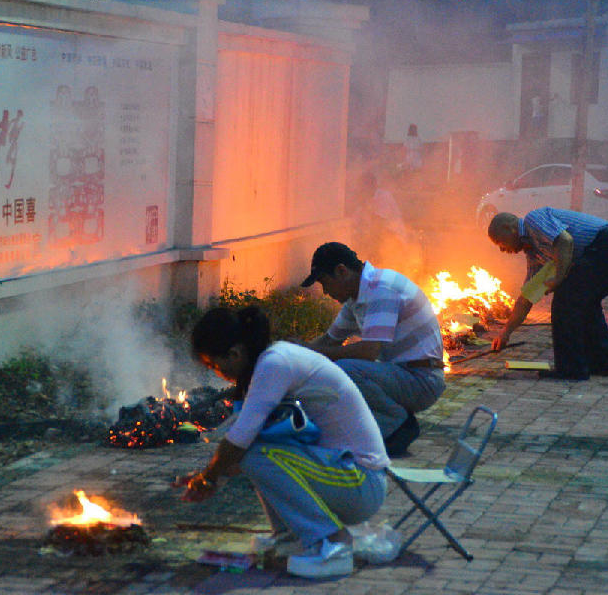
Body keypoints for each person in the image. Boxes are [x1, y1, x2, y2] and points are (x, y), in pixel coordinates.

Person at [175, 306, 389, 579]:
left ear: (235, 354)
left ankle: (332, 542)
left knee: (252, 454)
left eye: (215, 366)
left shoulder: (274, 364)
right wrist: (210, 475)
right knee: (256, 454)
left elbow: (239, 442)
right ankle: (290, 537)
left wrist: (209, 477)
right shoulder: (273, 359)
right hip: (348, 477)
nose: (218, 374)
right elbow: (248, 449)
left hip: (363, 483)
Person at [300, 242, 445, 455]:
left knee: (347, 369)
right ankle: (380, 426)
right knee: (334, 368)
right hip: (403, 374)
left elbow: (368, 352)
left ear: (342, 271)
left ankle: (398, 427)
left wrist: (315, 354)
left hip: (421, 381)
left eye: (325, 283)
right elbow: (330, 341)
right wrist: (293, 354)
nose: (325, 292)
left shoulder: (381, 289)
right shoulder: (357, 297)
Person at [487, 208, 608, 380]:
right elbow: (526, 298)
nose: (502, 249)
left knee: (565, 302)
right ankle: (604, 365)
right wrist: (506, 332)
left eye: (500, 242)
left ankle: (571, 369)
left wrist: (559, 277)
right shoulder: (535, 254)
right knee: (586, 305)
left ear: (509, 228)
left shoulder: (533, 220)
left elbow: (565, 240)